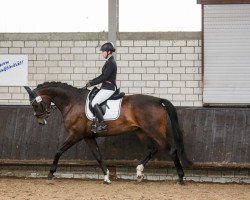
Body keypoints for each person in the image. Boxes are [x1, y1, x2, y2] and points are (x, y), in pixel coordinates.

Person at [85, 42, 117, 132]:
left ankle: (102, 124)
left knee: (94, 102)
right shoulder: (109, 62)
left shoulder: (111, 63)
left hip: (109, 88)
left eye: (103, 51)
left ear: (109, 52)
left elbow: (104, 77)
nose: (102, 53)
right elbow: (102, 76)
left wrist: (92, 83)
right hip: (106, 87)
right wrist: (91, 81)